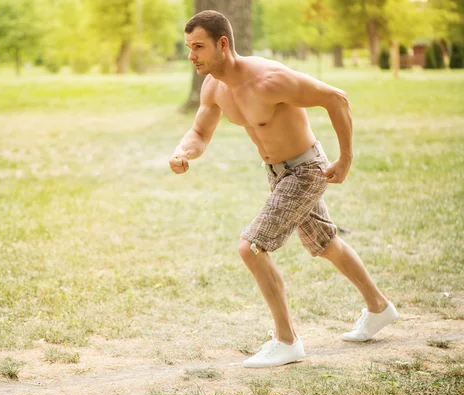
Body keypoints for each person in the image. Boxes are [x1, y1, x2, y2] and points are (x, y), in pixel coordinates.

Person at [169, 10, 398, 368]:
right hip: (276, 172)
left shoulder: (269, 79)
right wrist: (184, 152)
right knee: (325, 243)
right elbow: (199, 133)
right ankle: (379, 307)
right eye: (189, 47)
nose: (191, 56)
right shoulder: (214, 86)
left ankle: (287, 340)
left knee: (251, 247)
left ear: (223, 44)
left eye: (198, 47)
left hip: (305, 170)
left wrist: (346, 158)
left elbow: (336, 98)